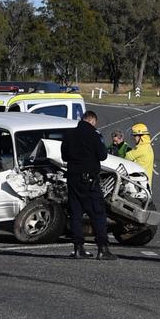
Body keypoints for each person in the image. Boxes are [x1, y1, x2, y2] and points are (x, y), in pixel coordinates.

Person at [60, 110, 115, 260]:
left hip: (72, 178)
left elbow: (64, 155)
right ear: (92, 121)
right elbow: (103, 155)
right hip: (89, 180)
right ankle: (103, 249)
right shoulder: (94, 134)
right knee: (98, 213)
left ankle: (78, 248)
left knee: (76, 214)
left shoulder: (69, 134)